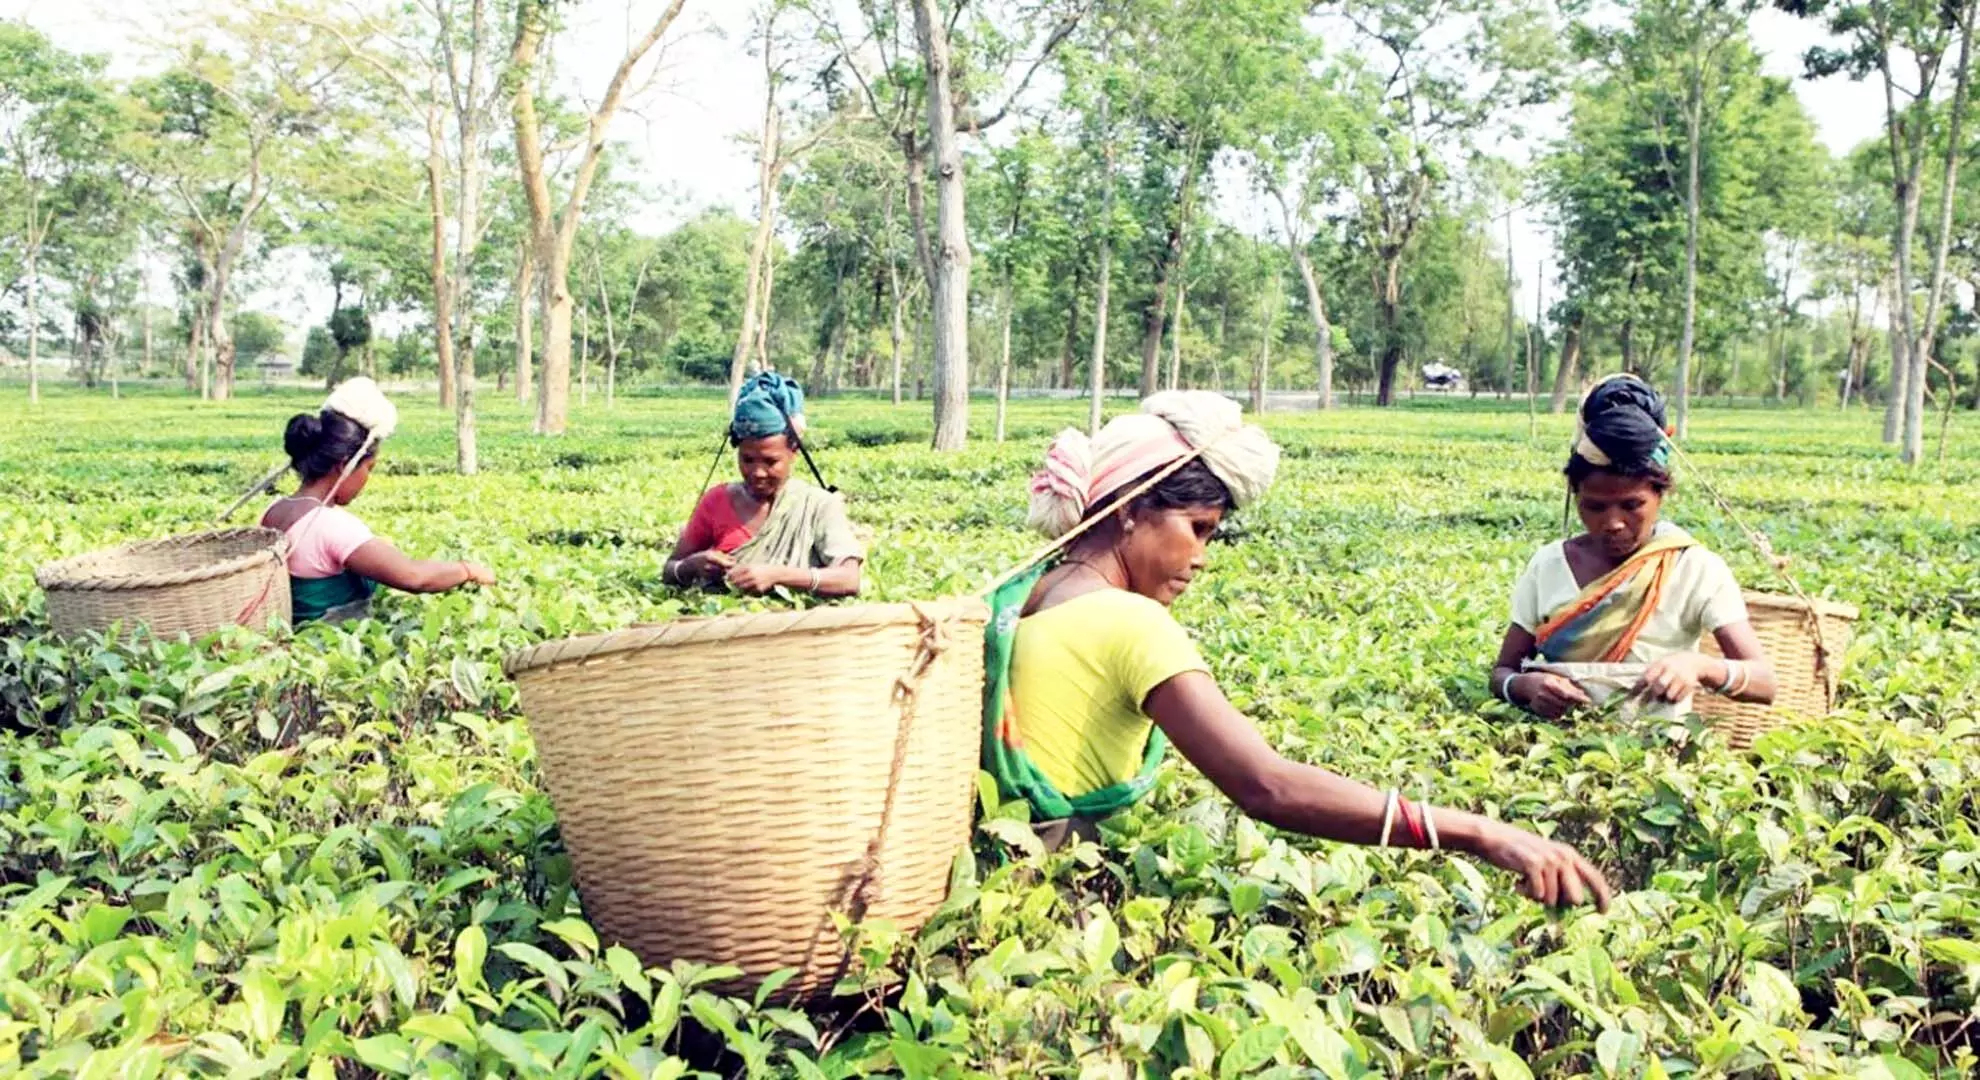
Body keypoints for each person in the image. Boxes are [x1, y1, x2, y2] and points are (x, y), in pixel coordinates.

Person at [983, 391, 1613, 910]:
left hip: (985, 879)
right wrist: (1478, 831)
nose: (1201, 558)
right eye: (1196, 528)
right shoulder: (1131, 623)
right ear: (1130, 511)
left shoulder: (1030, 593)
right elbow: (1268, 787)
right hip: (1044, 897)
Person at [1489, 374, 1776, 719]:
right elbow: (1503, 671)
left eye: (1631, 505)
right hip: (1550, 748)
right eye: (1594, 507)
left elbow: (1764, 682)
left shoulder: (1694, 568)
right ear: (1576, 497)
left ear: (1660, 494)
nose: (1613, 523)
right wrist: (1523, 687)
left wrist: (1697, 666)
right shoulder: (1549, 564)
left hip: (1656, 760)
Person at [260, 378, 494, 624]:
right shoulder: (330, 525)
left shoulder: (273, 511)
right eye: (369, 468)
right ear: (345, 466)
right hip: (332, 650)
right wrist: (467, 570)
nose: (367, 478)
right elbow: (415, 576)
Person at [664, 372, 864, 597]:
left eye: (771, 462)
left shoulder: (818, 505)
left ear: (793, 451)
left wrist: (778, 575)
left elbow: (849, 579)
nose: (757, 473)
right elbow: (670, 569)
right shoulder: (716, 500)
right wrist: (690, 566)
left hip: (796, 627)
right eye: (747, 459)